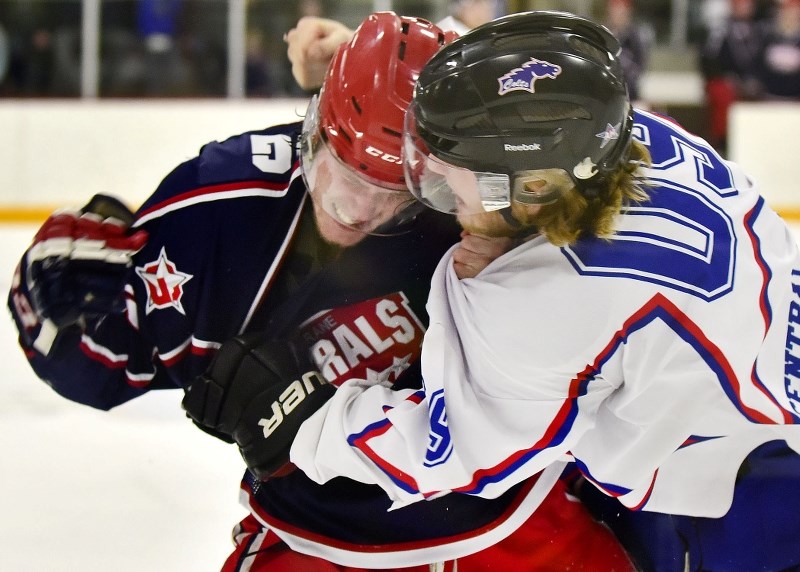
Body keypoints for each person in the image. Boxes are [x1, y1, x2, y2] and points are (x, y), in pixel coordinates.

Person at [8, 12, 633, 572]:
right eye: (347, 172)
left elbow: (592, 140)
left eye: (396, 189)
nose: (360, 212)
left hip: (507, 516)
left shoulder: (476, 199)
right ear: (314, 127)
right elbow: (82, 344)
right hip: (313, 535)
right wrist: (71, 283)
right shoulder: (220, 208)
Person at [187, 10, 800, 572]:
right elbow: (525, 90)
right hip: (759, 410)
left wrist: (307, 424)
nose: (430, 181)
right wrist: (375, 67)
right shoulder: (623, 138)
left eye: (449, 176)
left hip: (738, 511)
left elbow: (458, 452)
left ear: (528, 190)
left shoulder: (548, 302)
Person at [700, 0, 765, 152]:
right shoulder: (720, 30)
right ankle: (722, 143)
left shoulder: (761, 29)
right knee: (722, 93)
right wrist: (728, 78)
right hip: (726, 81)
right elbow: (709, 60)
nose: (744, 7)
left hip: (753, 82)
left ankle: (757, 142)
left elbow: (763, 60)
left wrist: (755, 79)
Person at [603, 0, 652, 103]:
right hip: (606, 95)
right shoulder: (603, 34)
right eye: (614, 11)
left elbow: (640, 67)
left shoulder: (635, 37)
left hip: (630, 95)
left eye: (621, 12)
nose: (617, 15)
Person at [756, 0, 800, 99]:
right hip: (770, 96)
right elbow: (759, 64)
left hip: (796, 98)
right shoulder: (767, 37)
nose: (789, 16)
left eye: (793, 11)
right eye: (786, 11)